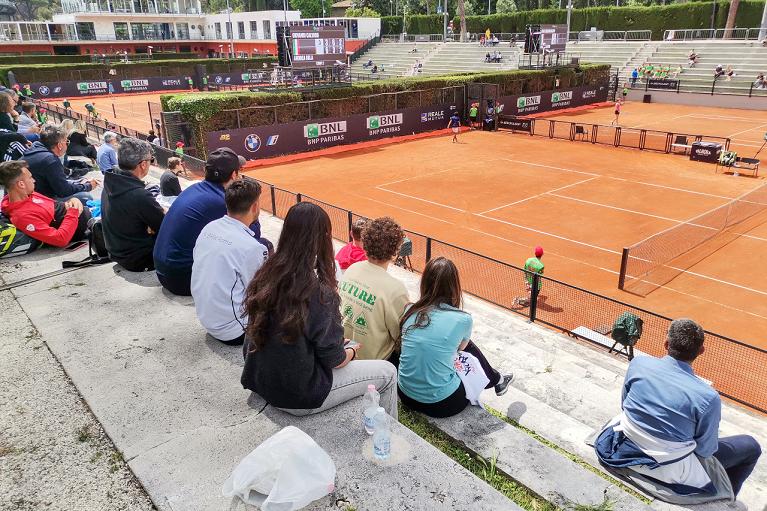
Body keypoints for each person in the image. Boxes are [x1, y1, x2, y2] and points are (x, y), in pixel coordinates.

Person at [241, 202, 398, 418]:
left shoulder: (266, 274)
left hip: (260, 379)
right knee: (388, 372)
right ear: (322, 239)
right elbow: (335, 360)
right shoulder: (319, 292)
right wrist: (350, 352)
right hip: (297, 395)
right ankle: (388, 431)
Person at [594, 319, 761, 503]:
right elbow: (705, 451)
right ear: (701, 351)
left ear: (666, 344)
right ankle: (727, 503)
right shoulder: (708, 397)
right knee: (751, 446)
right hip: (668, 470)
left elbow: (625, 406)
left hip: (623, 446)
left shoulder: (638, 364)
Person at [398, 257, 513, 418]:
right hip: (443, 404)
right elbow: (462, 350)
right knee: (466, 354)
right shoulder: (463, 319)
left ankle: (497, 379)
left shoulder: (409, 310)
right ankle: (496, 379)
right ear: (454, 286)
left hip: (405, 395)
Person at [153, 147, 267, 296]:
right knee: (263, 246)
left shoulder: (193, 189)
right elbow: (252, 238)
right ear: (234, 175)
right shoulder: (222, 202)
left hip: (164, 269)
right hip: (181, 279)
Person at [192, 180, 268, 346]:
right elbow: (262, 293)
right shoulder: (252, 248)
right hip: (235, 331)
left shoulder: (209, 228)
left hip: (207, 319)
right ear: (255, 207)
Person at [339, 216, 409, 365]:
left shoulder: (352, 269)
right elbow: (401, 336)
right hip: (374, 364)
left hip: (344, 352)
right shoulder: (396, 289)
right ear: (395, 252)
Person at [100, 137, 164, 271]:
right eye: (150, 160)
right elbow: (165, 225)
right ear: (143, 164)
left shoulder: (110, 181)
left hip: (116, 253)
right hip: (139, 259)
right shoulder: (139, 195)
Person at [0, 160, 90, 248]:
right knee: (87, 197)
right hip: (85, 225)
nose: (34, 180)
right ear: (21, 184)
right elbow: (60, 239)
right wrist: (73, 212)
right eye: (30, 177)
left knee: (85, 197)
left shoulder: (28, 195)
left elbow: (56, 205)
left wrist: (73, 201)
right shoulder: (21, 216)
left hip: (84, 212)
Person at [22, 124, 99, 204]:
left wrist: (77, 183)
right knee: (85, 196)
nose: (67, 145)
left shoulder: (35, 149)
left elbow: (58, 182)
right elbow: (64, 191)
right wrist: (88, 186)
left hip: (33, 196)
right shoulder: (50, 160)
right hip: (39, 201)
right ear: (60, 145)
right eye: (67, 142)